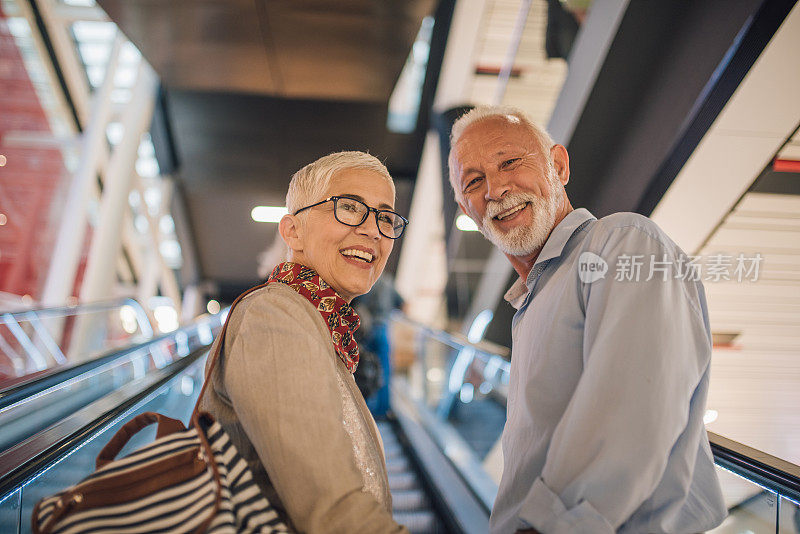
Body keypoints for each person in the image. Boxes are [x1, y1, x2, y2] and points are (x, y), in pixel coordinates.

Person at [448, 106, 727, 534]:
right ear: (467, 210)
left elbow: (633, 407)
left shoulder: (622, 242)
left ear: (558, 166)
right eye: (474, 181)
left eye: (510, 162)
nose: (496, 188)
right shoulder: (531, 305)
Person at [200, 151, 409, 533]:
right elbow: (333, 510)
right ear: (293, 231)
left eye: (385, 216)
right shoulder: (274, 315)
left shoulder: (325, 329)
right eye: (349, 207)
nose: (373, 230)